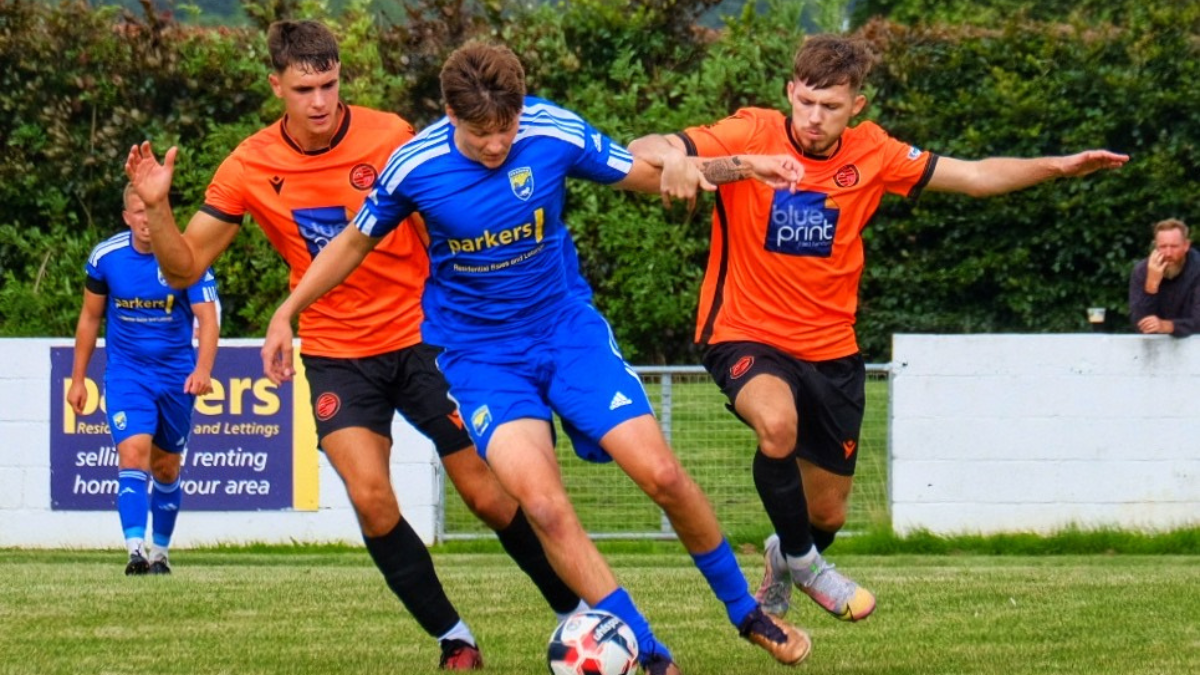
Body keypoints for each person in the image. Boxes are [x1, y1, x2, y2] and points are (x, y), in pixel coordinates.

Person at [260, 41, 812, 675]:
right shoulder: (413, 166)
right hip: (482, 359)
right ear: (448, 113)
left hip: (566, 335)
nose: (496, 146)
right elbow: (352, 242)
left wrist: (740, 166)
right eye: (479, 135)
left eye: (506, 129)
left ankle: (746, 611)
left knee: (661, 474)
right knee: (544, 507)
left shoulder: (553, 131)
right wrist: (287, 311)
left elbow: (646, 168)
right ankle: (649, 653)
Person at [123, 20, 583, 670]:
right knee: (370, 498)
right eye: (305, 87)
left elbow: (453, 225)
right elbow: (182, 267)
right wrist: (160, 210)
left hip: (425, 337)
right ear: (276, 85)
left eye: (330, 84)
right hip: (338, 352)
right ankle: (454, 638)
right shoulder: (249, 165)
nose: (319, 101)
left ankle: (577, 613)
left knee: (487, 493)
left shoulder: (391, 135)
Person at [628, 33, 1129, 623]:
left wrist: (1057, 167)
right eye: (806, 102)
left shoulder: (875, 152)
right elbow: (642, 147)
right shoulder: (750, 132)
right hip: (743, 331)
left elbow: (973, 177)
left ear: (856, 106)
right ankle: (803, 562)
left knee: (829, 516)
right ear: (790, 92)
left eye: (831, 107)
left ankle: (788, 551)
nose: (814, 118)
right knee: (777, 424)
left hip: (832, 350)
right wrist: (682, 157)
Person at [67, 183, 220, 576]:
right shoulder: (106, 257)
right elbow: (89, 317)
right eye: (138, 213)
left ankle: (160, 553)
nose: (147, 222)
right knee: (132, 453)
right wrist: (78, 378)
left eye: (153, 213)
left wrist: (202, 370)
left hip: (175, 377)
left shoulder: (187, 258)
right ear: (127, 217)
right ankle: (135, 551)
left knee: (166, 467)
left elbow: (207, 319)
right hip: (127, 374)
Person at [1129, 218, 1199, 337]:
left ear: (1186, 246)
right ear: (1155, 246)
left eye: (1174, 246)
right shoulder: (1143, 270)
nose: (1168, 253)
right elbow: (1140, 324)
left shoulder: (1197, 268)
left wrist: (1169, 326)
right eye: (1163, 246)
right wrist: (1151, 285)